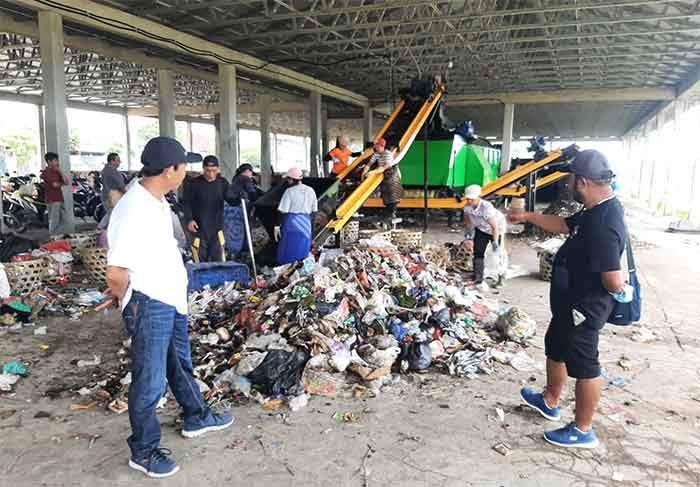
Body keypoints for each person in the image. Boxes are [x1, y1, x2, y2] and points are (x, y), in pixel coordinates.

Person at [103, 137, 233, 478]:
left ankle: (197, 415)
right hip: (150, 301)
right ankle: (143, 450)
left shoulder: (157, 200)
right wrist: (126, 301)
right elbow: (116, 272)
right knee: (150, 380)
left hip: (170, 298)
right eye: (184, 165)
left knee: (179, 364)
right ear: (170, 170)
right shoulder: (134, 208)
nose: (188, 170)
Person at [510, 150, 629, 449]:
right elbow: (565, 225)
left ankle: (582, 429)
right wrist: (527, 216)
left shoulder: (604, 221)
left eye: (572, 178)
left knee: (585, 365)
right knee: (556, 346)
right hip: (568, 303)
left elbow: (613, 279)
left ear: (583, 182)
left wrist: (618, 286)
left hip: (584, 308)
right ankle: (550, 401)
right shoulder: (592, 210)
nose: (570, 183)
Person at [182, 155, 230, 262]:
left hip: (217, 229)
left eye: (214, 171)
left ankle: (219, 279)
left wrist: (238, 193)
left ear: (218, 169)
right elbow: (186, 203)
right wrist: (189, 220)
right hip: (199, 229)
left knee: (219, 262)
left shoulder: (223, 183)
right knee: (199, 262)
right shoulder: (194, 184)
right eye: (208, 171)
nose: (211, 174)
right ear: (203, 169)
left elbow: (231, 199)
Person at [462, 184, 506, 289]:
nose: (469, 201)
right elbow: (468, 222)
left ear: (478, 197)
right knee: (478, 251)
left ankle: (500, 278)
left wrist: (495, 241)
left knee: (497, 254)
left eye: (471, 199)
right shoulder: (467, 208)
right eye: (467, 199)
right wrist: (469, 235)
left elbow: (494, 226)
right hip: (481, 228)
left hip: (497, 230)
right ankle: (478, 277)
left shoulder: (486, 208)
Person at [276, 167, 317, 265]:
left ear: (292, 179)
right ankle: (300, 268)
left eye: (288, 179)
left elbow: (282, 211)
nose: (288, 181)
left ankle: (286, 269)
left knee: (288, 247)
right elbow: (314, 211)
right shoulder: (311, 190)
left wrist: (277, 225)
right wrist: (312, 229)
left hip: (292, 222)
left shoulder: (289, 191)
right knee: (303, 247)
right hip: (306, 222)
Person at [224, 163, 261, 258]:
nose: (251, 174)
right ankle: (235, 254)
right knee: (237, 232)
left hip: (228, 209)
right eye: (251, 172)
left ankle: (237, 252)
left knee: (232, 231)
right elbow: (252, 194)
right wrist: (261, 201)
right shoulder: (245, 178)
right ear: (247, 171)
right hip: (236, 210)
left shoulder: (236, 178)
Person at [364, 138, 403, 225]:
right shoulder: (376, 154)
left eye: (377, 147)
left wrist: (373, 172)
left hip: (392, 174)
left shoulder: (388, 154)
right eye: (375, 147)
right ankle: (388, 212)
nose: (376, 148)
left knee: (393, 193)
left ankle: (392, 213)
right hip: (383, 174)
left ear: (382, 146)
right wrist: (365, 171)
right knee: (385, 193)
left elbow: (385, 166)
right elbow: (369, 163)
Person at [41, 152, 71, 236]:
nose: (57, 162)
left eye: (57, 160)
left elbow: (67, 182)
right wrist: (61, 184)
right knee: (54, 221)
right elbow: (55, 185)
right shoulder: (47, 172)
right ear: (49, 162)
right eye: (55, 160)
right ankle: (52, 237)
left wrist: (60, 171)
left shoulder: (57, 171)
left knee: (65, 220)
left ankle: (58, 236)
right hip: (52, 199)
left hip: (59, 198)